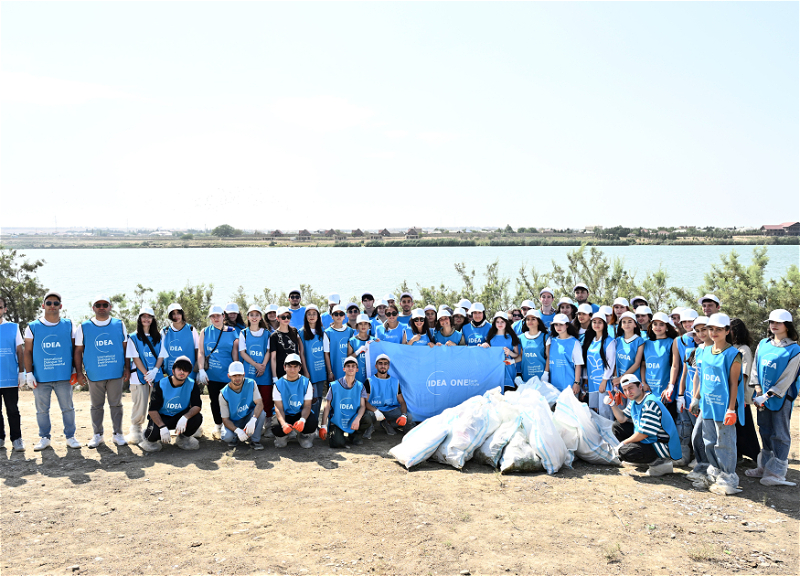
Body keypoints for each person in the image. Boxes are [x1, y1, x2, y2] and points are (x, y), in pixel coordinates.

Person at [689, 313, 744, 495]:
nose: (713, 332)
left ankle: (728, 478)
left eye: (719, 329)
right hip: (708, 405)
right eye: (711, 329)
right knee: (709, 441)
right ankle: (714, 473)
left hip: (723, 408)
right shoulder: (704, 351)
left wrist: (731, 409)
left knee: (725, 443)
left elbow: (733, 383)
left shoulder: (733, 354)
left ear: (727, 331)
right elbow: (704, 379)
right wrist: (697, 398)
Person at [745, 309, 800, 487]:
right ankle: (765, 467)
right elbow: (755, 368)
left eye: (778, 322)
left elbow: (788, 378)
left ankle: (777, 473)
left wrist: (767, 396)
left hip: (781, 398)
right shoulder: (763, 344)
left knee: (780, 434)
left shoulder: (794, 349)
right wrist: (759, 390)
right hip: (762, 397)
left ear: (787, 325)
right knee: (765, 429)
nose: (773, 325)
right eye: (771, 322)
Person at [23, 292, 81, 451]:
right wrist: (28, 373)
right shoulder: (32, 327)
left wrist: (76, 370)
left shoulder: (69, 325)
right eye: (49, 303)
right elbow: (27, 351)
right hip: (41, 377)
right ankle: (44, 437)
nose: (52, 306)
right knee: (42, 410)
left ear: (60, 306)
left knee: (68, 408)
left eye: (56, 303)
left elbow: (75, 348)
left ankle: (70, 437)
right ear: (43, 305)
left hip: (64, 375)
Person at [74, 295, 129, 448]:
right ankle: (98, 435)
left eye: (105, 304)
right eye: (98, 305)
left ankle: (118, 434)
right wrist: (79, 372)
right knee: (96, 406)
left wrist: (127, 368)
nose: (102, 307)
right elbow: (78, 350)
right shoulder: (84, 326)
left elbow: (125, 348)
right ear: (93, 308)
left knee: (116, 404)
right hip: (95, 373)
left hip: (115, 372)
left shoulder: (119, 324)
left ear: (110, 307)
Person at [609, 374, 682, 476]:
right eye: (625, 390)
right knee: (618, 427)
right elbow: (622, 419)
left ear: (640, 386)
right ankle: (642, 459)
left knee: (625, 451)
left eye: (630, 388)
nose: (628, 392)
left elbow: (643, 434)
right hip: (650, 438)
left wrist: (623, 444)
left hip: (662, 444)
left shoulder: (650, 403)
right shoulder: (635, 401)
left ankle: (661, 463)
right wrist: (612, 404)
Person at [139, 355, 202, 452]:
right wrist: (162, 426)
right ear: (173, 371)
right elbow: (152, 410)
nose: (182, 372)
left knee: (197, 418)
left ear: (189, 373)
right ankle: (148, 436)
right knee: (152, 434)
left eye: (185, 370)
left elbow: (197, 406)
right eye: (179, 369)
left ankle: (183, 438)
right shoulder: (161, 384)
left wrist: (185, 417)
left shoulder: (192, 384)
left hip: (180, 417)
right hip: (162, 417)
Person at [125, 306, 167, 445]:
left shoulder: (159, 336)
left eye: (149, 317)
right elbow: (135, 357)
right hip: (139, 377)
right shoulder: (133, 337)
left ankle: (154, 429)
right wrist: (146, 374)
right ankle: (136, 430)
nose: (146, 319)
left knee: (157, 403)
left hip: (157, 376)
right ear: (139, 319)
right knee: (140, 404)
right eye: (144, 316)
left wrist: (155, 370)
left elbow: (161, 355)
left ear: (153, 319)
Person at [196, 305, 239, 439]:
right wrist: (201, 369)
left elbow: (235, 354)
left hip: (227, 375)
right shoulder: (205, 331)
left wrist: (235, 373)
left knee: (230, 401)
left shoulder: (232, 331)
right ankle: (218, 426)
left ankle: (231, 426)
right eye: (213, 316)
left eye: (218, 315)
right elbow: (201, 352)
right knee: (214, 401)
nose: (215, 318)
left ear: (223, 316)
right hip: (212, 375)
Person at [319, 356, 370, 447]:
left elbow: (362, 406)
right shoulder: (334, 385)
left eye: (353, 366)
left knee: (368, 417)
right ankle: (338, 434)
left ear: (357, 369)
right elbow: (327, 406)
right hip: (338, 420)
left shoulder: (360, 386)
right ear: (344, 369)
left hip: (353, 418)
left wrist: (357, 419)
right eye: (348, 366)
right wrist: (323, 426)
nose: (350, 368)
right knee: (337, 443)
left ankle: (355, 435)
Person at [684, 316, 712, 481]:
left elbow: (708, 377)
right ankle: (702, 467)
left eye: (704, 330)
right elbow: (697, 376)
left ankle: (711, 469)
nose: (701, 334)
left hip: (715, 401)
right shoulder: (699, 350)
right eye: (698, 331)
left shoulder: (717, 349)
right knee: (697, 436)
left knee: (709, 436)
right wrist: (695, 399)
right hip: (702, 399)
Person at [729, 318, 759, 463]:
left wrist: (738, 398)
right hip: (731, 395)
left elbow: (744, 374)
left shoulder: (743, 349)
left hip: (740, 396)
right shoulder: (730, 347)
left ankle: (755, 456)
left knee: (744, 428)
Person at [272, 354, 317, 448]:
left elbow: (307, 406)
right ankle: (283, 437)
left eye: (295, 366)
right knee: (276, 426)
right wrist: (284, 424)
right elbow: (278, 408)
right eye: (289, 366)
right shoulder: (278, 384)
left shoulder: (306, 382)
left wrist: (302, 420)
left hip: (299, 414)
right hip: (285, 414)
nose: (292, 370)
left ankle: (304, 436)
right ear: (284, 367)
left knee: (312, 422)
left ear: (300, 368)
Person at [239, 305, 272, 434]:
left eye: (257, 315)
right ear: (248, 317)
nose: (254, 317)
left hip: (265, 371)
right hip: (250, 371)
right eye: (251, 315)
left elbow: (268, 351)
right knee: (249, 399)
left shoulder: (267, 333)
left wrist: (263, 365)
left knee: (266, 399)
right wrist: (256, 365)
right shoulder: (244, 333)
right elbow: (242, 352)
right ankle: (249, 424)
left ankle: (267, 426)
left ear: (260, 317)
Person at [219, 361, 266, 450]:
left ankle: (255, 440)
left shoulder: (251, 383)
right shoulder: (223, 393)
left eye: (239, 375)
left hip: (248, 417)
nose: (237, 378)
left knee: (262, 413)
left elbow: (259, 403)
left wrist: (253, 419)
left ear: (244, 374)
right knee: (227, 436)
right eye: (234, 375)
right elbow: (225, 419)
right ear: (229, 376)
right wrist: (237, 430)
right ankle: (235, 437)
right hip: (234, 422)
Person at [362, 354, 412, 436]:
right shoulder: (369, 381)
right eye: (380, 363)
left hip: (390, 411)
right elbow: (364, 401)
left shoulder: (395, 381)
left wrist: (403, 415)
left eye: (385, 364)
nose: (383, 366)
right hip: (374, 410)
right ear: (376, 366)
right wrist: (375, 411)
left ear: (388, 366)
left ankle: (387, 423)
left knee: (408, 417)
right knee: (367, 415)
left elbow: (402, 401)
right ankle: (370, 427)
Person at [641, 312, 678, 419]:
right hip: (649, 390)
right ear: (651, 326)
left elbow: (674, 366)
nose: (658, 327)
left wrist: (669, 386)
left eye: (661, 324)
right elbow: (643, 364)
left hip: (664, 391)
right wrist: (643, 382)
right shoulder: (646, 343)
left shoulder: (672, 342)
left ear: (667, 327)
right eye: (655, 324)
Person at [0, 296, 25, 452]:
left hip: (9, 378)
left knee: (12, 410)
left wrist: (21, 372)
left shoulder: (13, 327)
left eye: (0, 307)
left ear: (4, 309)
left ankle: (16, 439)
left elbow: (19, 351)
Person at [583, 313, 616, 417]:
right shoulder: (591, 341)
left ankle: (609, 433)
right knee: (596, 411)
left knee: (605, 411)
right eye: (594, 322)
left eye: (600, 322)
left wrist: (604, 380)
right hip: (593, 383)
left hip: (604, 383)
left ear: (605, 324)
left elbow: (611, 362)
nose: (596, 324)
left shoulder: (609, 341)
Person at [543, 314, 584, 394]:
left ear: (567, 325)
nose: (558, 327)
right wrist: (545, 375)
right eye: (556, 324)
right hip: (553, 385)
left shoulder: (574, 342)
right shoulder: (551, 341)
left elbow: (578, 364)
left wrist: (577, 383)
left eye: (561, 324)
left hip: (570, 385)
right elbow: (548, 359)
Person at [481, 311, 521, 391]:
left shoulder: (512, 337)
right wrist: (483, 346)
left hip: (509, 370)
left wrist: (510, 353)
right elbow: (487, 354)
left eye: (502, 322)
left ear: (506, 323)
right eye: (497, 322)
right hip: (494, 371)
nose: (500, 324)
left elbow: (517, 355)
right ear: (494, 323)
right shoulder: (490, 337)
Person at [300, 305, 328, 416]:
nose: (312, 316)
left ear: (318, 316)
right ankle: (311, 425)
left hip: (321, 371)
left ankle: (316, 423)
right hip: (309, 371)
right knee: (312, 398)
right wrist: (305, 371)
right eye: (309, 314)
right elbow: (301, 353)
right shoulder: (301, 332)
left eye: (314, 313)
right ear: (306, 316)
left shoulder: (322, 331)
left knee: (320, 398)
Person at [611, 312, 644, 405]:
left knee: (632, 409)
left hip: (632, 381)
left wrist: (621, 378)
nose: (627, 324)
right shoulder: (618, 340)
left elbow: (637, 364)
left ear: (635, 324)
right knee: (621, 409)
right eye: (624, 322)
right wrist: (615, 378)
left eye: (630, 321)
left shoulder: (639, 341)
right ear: (621, 325)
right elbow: (615, 362)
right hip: (619, 381)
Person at [161, 303, 199, 377]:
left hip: (189, 374)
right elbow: (160, 352)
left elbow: (197, 350)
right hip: (170, 373)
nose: (176, 316)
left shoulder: (191, 329)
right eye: (173, 314)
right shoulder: (164, 331)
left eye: (178, 313)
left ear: (182, 314)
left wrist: (200, 370)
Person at [269, 306, 305, 382]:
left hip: (296, 370)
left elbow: (301, 351)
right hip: (282, 372)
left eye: (288, 317)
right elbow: (273, 358)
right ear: (277, 318)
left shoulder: (294, 331)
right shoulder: (273, 336)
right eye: (283, 317)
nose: (286, 319)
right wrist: (274, 377)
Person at [324, 305, 354, 381]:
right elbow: (326, 354)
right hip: (335, 369)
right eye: (336, 314)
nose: (338, 316)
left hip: (349, 369)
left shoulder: (350, 331)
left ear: (344, 316)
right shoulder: (328, 332)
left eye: (341, 314)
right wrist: (330, 372)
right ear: (332, 316)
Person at [519, 310, 547, 381]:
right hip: (526, 376)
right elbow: (522, 357)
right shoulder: (521, 338)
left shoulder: (546, 336)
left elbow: (549, 357)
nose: (530, 321)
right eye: (528, 319)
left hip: (542, 376)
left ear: (538, 321)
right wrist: (511, 361)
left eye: (533, 319)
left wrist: (546, 373)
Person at [348, 314, 376, 383]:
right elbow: (348, 358)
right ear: (357, 326)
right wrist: (358, 352)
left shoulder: (373, 340)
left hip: (371, 375)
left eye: (365, 323)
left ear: (369, 325)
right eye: (360, 324)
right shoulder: (352, 341)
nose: (363, 326)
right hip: (357, 375)